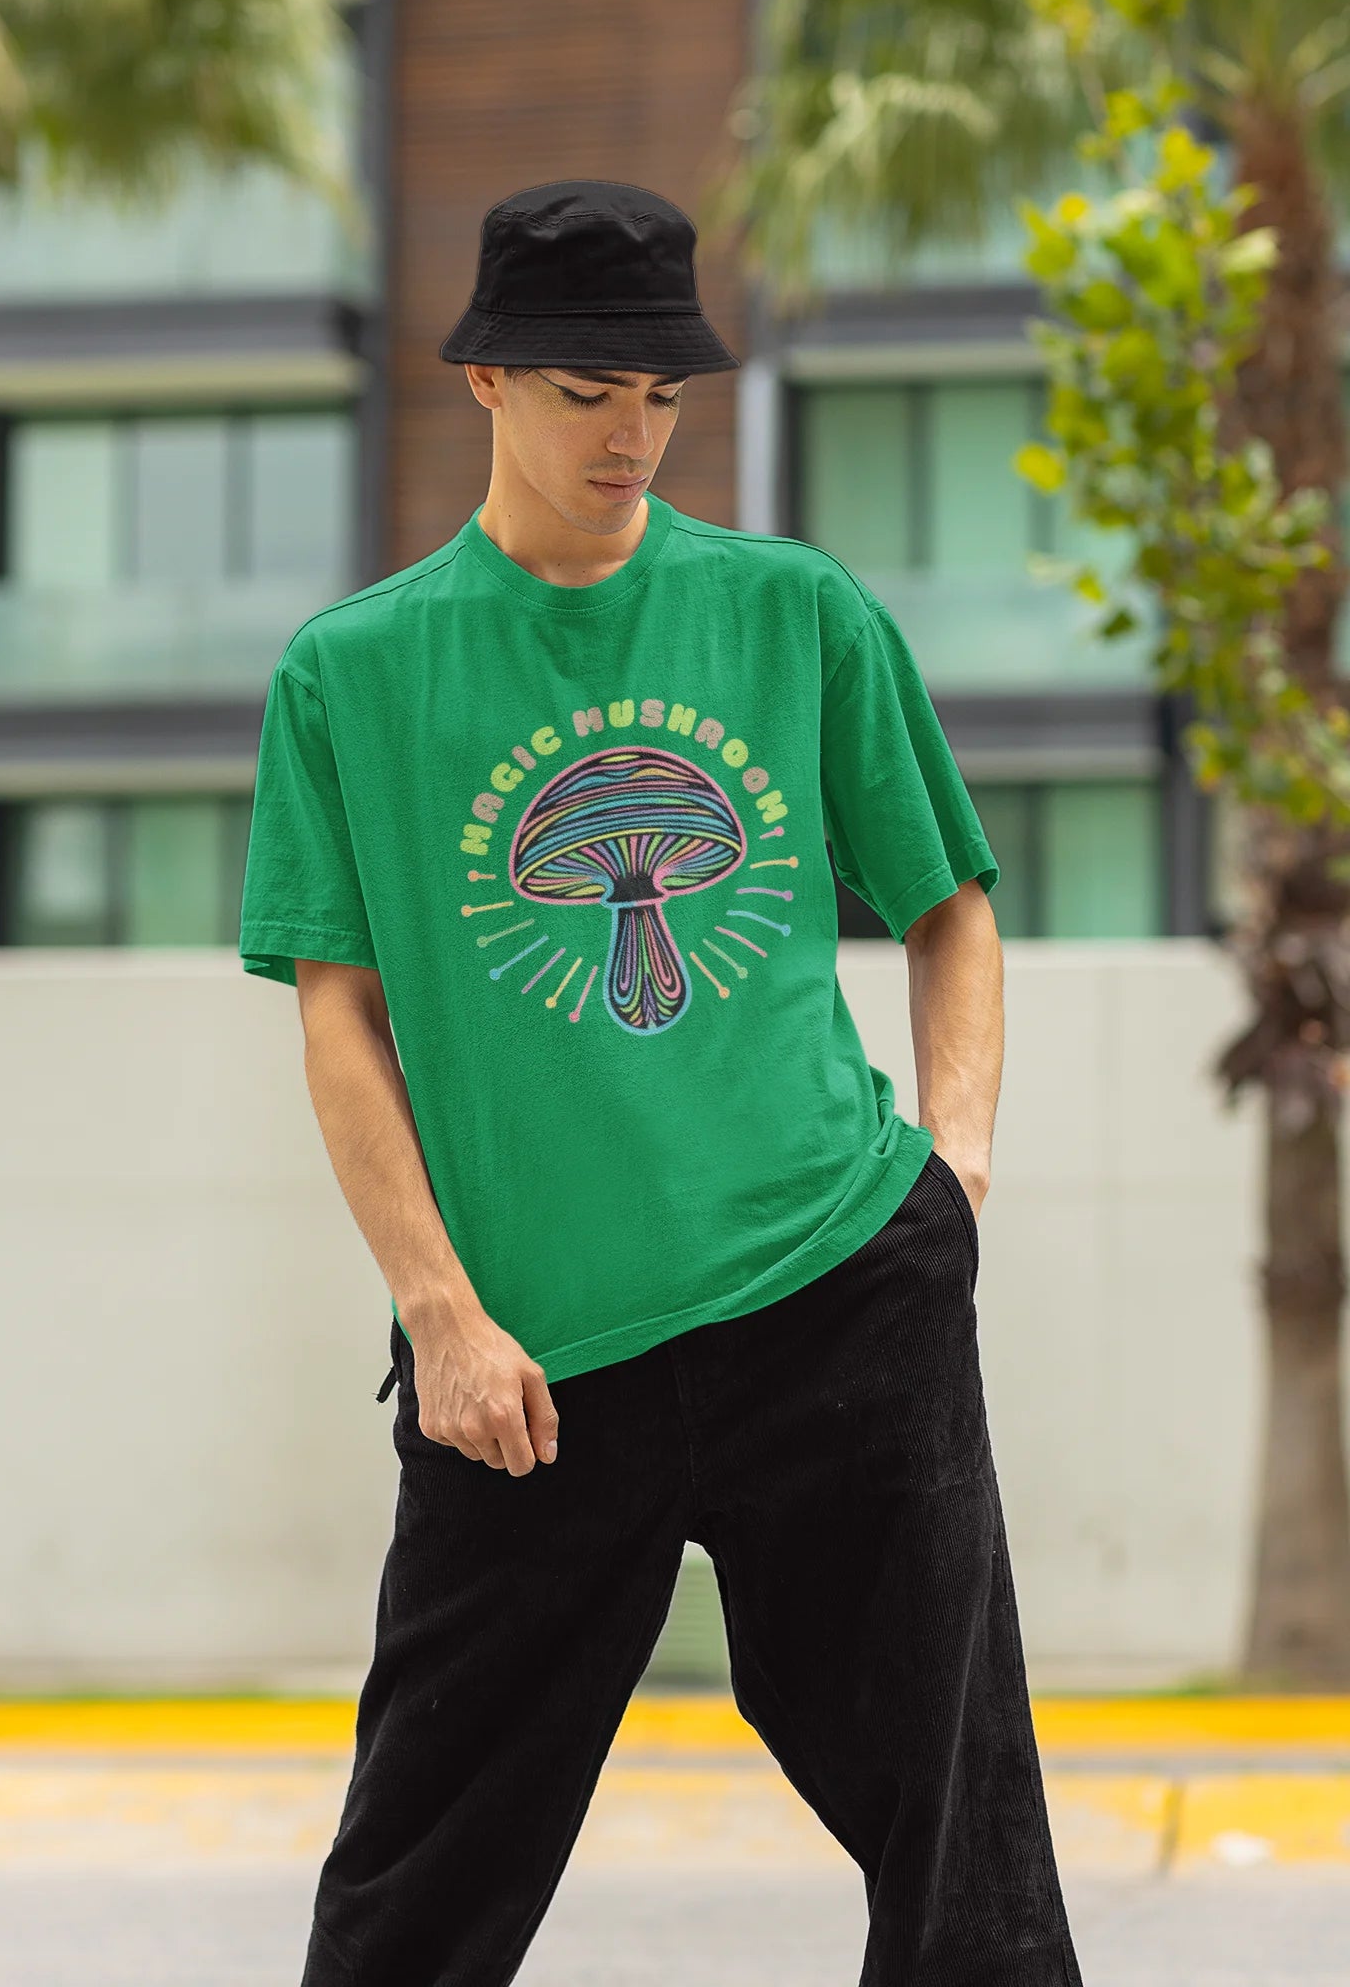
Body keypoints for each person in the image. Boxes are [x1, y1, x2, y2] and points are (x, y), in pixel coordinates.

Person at [239, 178, 1084, 1987]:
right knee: (413, 1893)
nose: (630, 436)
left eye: (661, 396)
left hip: (835, 1294)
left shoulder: (794, 612)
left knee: (964, 1856)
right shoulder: (355, 673)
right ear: (484, 379)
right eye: (585, 394)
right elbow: (338, 1019)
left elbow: (950, 907)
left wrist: (952, 1172)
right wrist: (439, 1315)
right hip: (531, 1368)